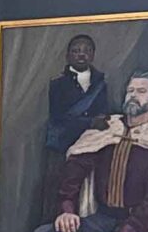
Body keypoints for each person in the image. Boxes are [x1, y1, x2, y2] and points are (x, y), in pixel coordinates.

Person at [30, 72, 148, 232]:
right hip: (102, 219)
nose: (133, 95)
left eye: (141, 91)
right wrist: (67, 210)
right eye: (130, 90)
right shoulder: (106, 129)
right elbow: (74, 169)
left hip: (140, 227)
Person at [39, 34, 110, 219]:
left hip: (90, 148)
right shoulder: (57, 85)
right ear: (68, 56)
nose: (81, 55)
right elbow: (58, 119)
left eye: (86, 51)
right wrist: (90, 123)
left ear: (93, 55)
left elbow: (103, 113)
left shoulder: (101, 84)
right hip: (61, 148)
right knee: (59, 197)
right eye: (76, 51)